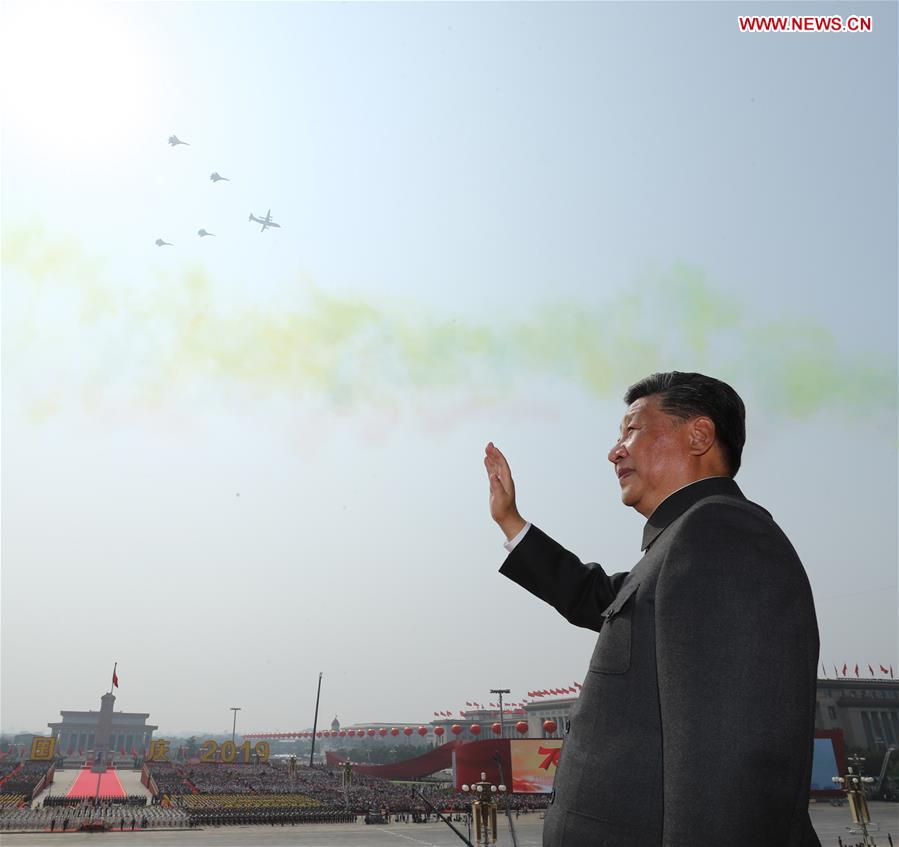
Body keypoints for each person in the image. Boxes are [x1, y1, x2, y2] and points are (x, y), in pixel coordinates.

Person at [485, 371, 820, 847]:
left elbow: (730, 766)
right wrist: (512, 523)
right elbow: (601, 599)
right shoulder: (684, 543)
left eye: (631, 431)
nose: (614, 450)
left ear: (699, 435)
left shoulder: (722, 535)